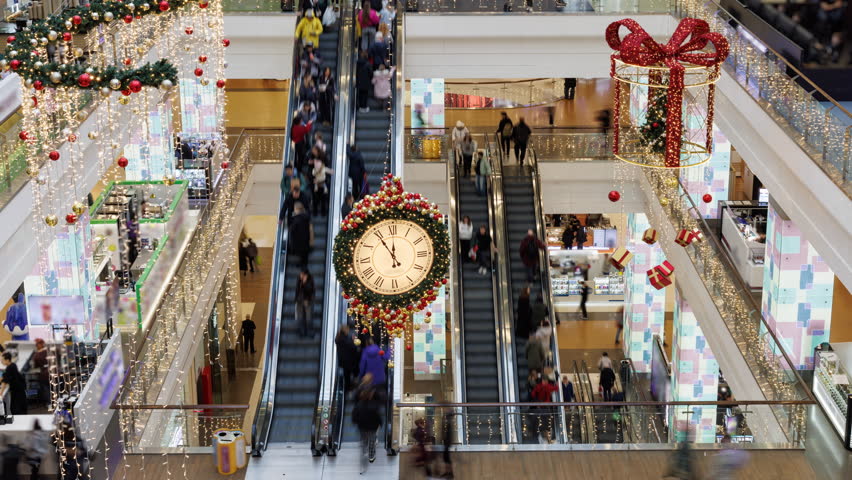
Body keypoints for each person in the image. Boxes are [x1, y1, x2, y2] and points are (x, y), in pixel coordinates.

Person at [352, 377, 382, 473]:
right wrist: (380, 423)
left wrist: (356, 422)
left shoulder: (358, 405)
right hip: (372, 427)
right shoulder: (373, 406)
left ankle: (364, 454)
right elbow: (377, 417)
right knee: (372, 441)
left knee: (364, 441)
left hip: (362, 427)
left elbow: (354, 416)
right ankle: (371, 455)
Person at [336, 325, 360, 393]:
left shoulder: (339, 338)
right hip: (349, 360)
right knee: (350, 374)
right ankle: (349, 388)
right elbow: (353, 348)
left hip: (343, 361)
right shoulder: (345, 339)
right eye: (347, 330)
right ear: (345, 330)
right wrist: (354, 340)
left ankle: (348, 388)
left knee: (347, 375)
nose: (348, 331)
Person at [295, 269, 315, 337]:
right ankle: (301, 332)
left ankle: (310, 332)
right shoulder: (299, 280)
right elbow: (297, 290)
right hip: (299, 301)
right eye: (301, 274)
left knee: (308, 318)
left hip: (307, 301)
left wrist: (304, 283)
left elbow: (310, 291)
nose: (301, 275)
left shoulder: (310, 281)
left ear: (306, 275)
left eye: (303, 274)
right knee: (300, 317)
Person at [30, 339, 49, 406]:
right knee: (52, 388)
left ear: (40, 344)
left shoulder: (37, 355)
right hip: (53, 371)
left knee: (45, 388)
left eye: (37, 344)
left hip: (44, 374)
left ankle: (48, 403)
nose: (36, 346)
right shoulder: (49, 351)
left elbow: (35, 365)